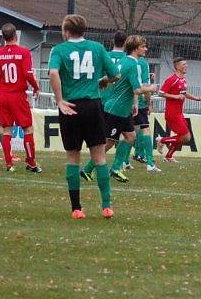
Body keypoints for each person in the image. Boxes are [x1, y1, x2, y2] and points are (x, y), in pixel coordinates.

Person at [48, 14, 119, 219]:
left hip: (71, 106)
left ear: (67, 31)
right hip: (93, 106)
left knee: (73, 157)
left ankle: (77, 209)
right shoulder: (97, 48)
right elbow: (115, 74)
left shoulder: (60, 50)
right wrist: (103, 80)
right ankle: (106, 206)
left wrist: (60, 100)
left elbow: (53, 73)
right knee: (99, 157)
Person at [83, 36, 158, 183]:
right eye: (143, 46)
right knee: (109, 142)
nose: (146, 49)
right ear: (136, 48)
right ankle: (87, 169)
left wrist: (134, 103)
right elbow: (137, 89)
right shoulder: (133, 64)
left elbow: (116, 77)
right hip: (116, 109)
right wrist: (152, 87)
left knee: (131, 137)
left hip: (123, 109)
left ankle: (116, 168)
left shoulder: (125, 60)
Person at [0, 23, 41, 173]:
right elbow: (27, 74)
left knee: (6, 130)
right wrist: (36, 87)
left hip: (3, 96)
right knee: (28, 129)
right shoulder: (24, 52)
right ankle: (31, 163)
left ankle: (9, 164)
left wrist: (3, 84)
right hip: (18, 96)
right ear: (15, 36)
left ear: (4, 37)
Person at [80, 31, 130, 182]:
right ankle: (90, 167)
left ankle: (116, 167)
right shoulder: (128, 60)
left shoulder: (105, 55)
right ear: (126, 42)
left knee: (129, 135)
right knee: (110, 138)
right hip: (115, 103)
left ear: (112, 41)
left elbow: (98, 76)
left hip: (103, 99)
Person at [156, 57, 201, 162]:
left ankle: (168, 156)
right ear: (177, 66)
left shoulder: (183, 79)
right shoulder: (172, 79)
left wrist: (196, 98)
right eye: (183, 64)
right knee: (186, 137)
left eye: (186, 64)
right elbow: (161, 92)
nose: (186, 66)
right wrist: (175, 97)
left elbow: (184, 93)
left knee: (182, 136)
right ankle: (162, 140)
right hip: (172, 114)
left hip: (179, 113)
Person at [130, 53, 159, 173]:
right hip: (138, 102)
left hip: (120, 102)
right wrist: (149, 104)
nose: (146, 49)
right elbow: (146, 86)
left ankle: (124, 161)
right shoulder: (142, 62)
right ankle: (150, 162)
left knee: (127, 133)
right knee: (145, 128)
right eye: (143, 46)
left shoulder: (122, 60)